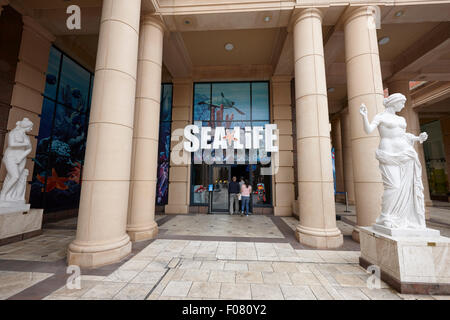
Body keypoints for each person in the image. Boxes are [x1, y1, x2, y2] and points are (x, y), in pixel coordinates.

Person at [359, 93, 428, 229]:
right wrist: (364, 116)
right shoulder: (381, 117)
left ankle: (402, 217)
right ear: (393, 102)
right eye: (401, 102)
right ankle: (385, 215)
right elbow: (368, 130)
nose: (403, 105)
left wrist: (417, 138)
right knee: (394, 186)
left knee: (406, 186)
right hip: (387, 154)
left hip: (405, 153)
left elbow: (402, 135)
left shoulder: (401, 119)